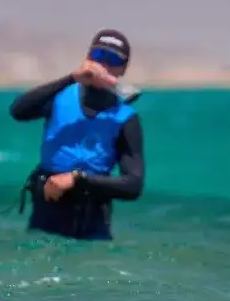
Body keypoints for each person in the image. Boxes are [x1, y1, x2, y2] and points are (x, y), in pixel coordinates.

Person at [8, 29, 146, 240]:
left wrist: (77, 179)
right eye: (98, 57)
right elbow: (18, 111)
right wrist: (71, 78)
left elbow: (133, 185)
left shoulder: (125, 118)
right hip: (48, 207)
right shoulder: (60, 97)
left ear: (122, 69)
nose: (103, 65)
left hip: (92, 216)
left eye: (112, 60)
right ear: (87, 58)